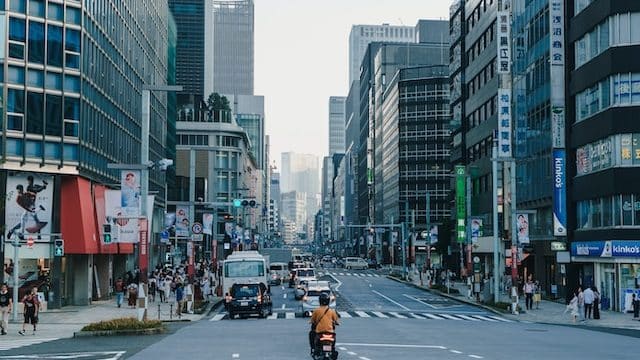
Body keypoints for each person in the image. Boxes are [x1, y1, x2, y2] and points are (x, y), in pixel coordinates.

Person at [309, 293, 339, 358]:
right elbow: (336, 321)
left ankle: (313, 349)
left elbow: (312, 321)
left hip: (319, 333)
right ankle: (332, 350)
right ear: (328, 301)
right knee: (333, 346)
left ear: (320, 301)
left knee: (311, 334)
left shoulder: (316, 311)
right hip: (330, 333)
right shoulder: (332, 311)